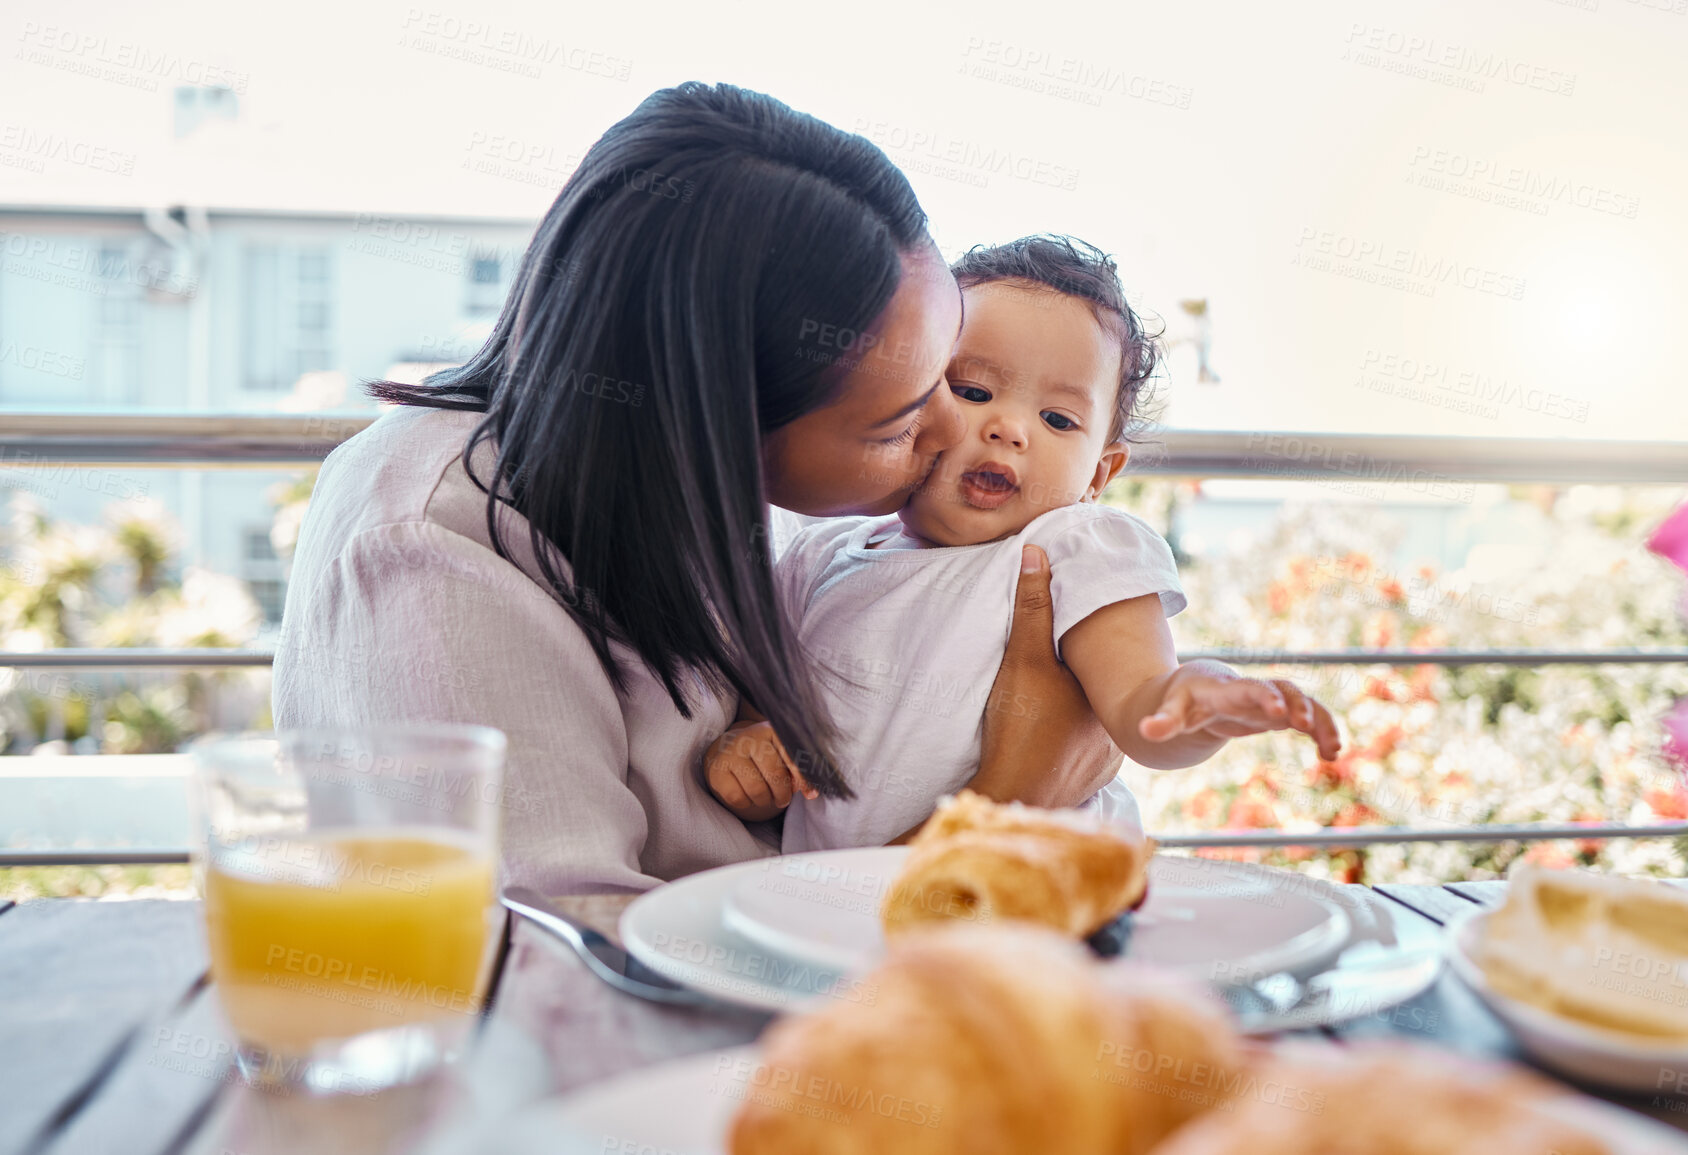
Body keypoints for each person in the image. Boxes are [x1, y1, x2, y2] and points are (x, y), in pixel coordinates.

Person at [272, 84, 1123, 895]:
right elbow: (571, 960)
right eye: (898, 425)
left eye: (951, 375)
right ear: (721, 420)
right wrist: (1010, 805)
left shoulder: (690, 485)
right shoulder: (435, 556)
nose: (957, 431)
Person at [702, 236, 1341, 851]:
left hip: (1038, 896)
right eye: (973, 391)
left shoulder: (1075, 546)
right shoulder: (820, 558)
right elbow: (766, 707)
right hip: (839, 919)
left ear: (1099, 474)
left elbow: (1143, 713)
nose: (1009, 429)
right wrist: (751, 749)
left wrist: (1198, 701)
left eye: (1058, 419)